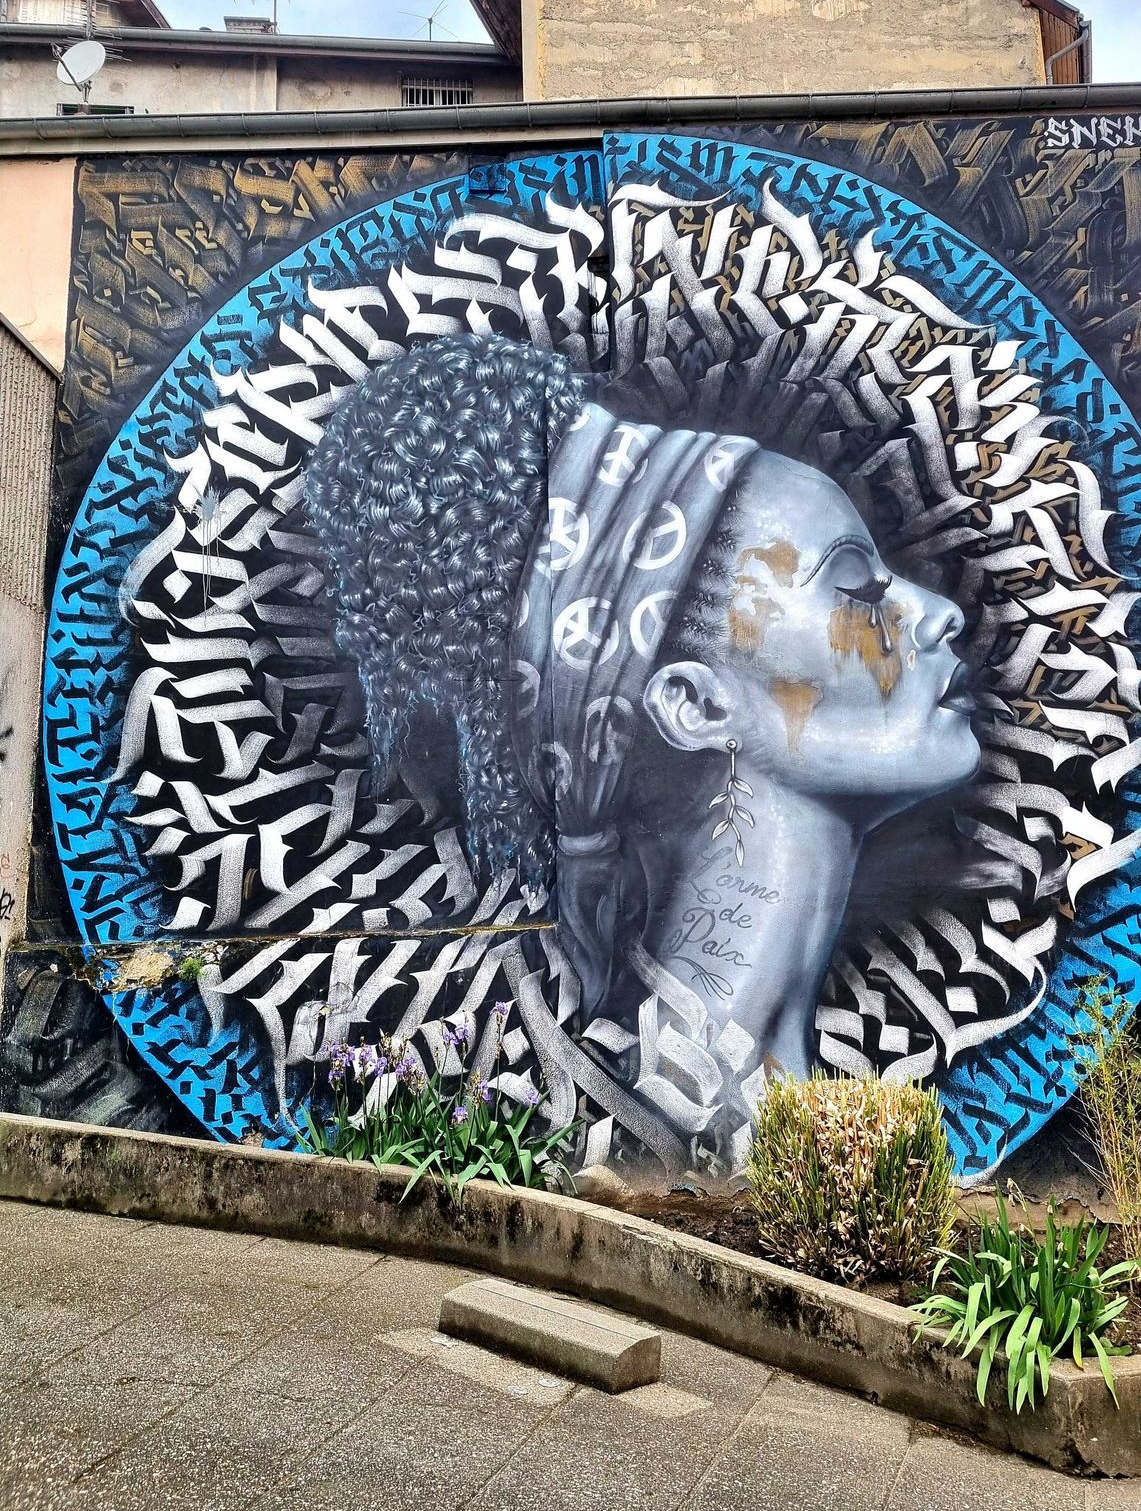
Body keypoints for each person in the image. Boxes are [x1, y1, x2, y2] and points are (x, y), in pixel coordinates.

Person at [304, 333, 980, 1099]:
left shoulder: (741, 1098)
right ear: (695, 706)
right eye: (852, 584)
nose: (937, 615)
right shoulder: (675, 1114)